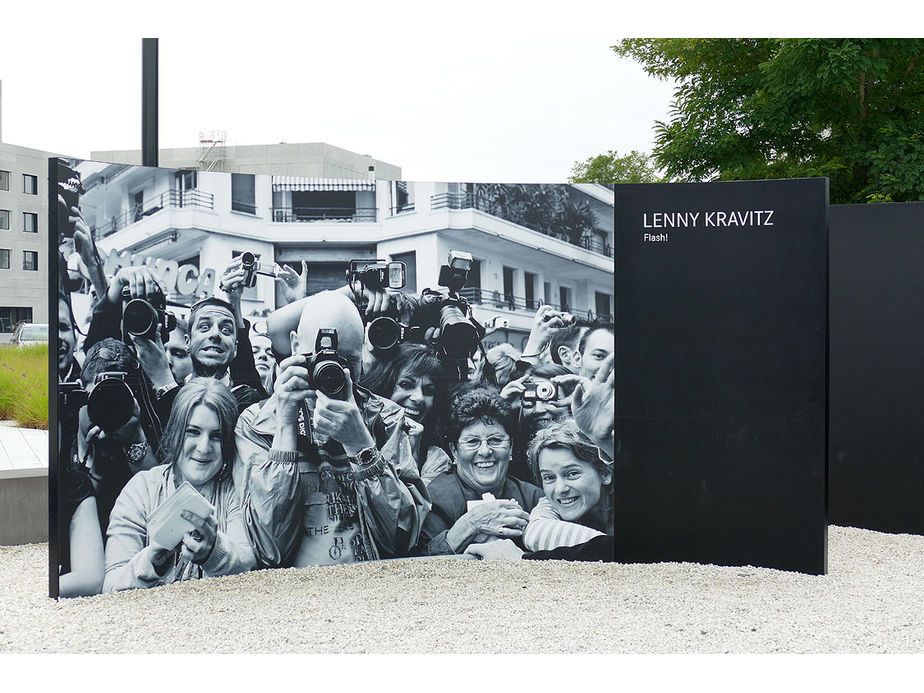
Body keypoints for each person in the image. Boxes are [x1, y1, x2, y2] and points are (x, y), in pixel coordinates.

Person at [233, 290, 428, 568]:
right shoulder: (257, 423)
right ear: (294, 345)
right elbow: (268, 547)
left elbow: (402, 537)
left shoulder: (385, 417)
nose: (332, 371)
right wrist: (285, 426)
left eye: (346, 362)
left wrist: (360, 443)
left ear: (363, 353)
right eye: (319, 358)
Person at [103, 379, 255, 592]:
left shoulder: (236, 490)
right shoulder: (141, 489)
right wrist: (151, 562)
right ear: (175, 433)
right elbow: (109, 587)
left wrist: (213, 552)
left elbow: (251, 568)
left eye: (216, 436)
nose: (203, 448)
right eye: (193, 431)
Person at [419, 384, 542, 555]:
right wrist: (471, 524)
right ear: (454, 451)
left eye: (495, 440)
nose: (485, 451)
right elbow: (418, 567)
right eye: (472, 442)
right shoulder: (433, 501)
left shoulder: (534, 498)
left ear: (511, 447)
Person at [360, 343, 459, 484]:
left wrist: (412, 455)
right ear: (383, 384)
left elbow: (405, 505)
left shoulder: (437, 459)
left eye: (428, 391)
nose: (418, 398)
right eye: (406, 385)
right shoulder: (354, 438)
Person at [521, 420, 613, 552]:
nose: (560, 489)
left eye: (572, 473)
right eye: (549, 477)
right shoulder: (549, 503)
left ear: (605, 473)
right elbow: (534, 534)